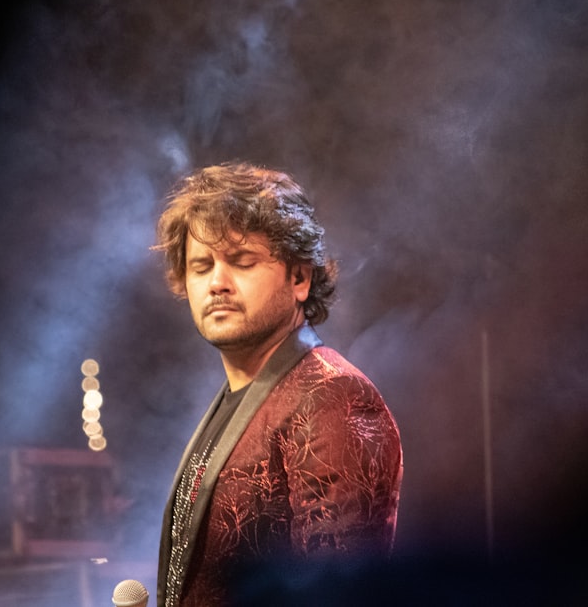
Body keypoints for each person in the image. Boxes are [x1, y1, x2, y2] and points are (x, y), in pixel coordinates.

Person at [153, 162, 403, 607]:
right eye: (201, 266)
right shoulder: (240, 396)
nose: (217, 283)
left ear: (300, 277)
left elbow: (340, 596)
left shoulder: (332, 397)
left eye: (242, 261)